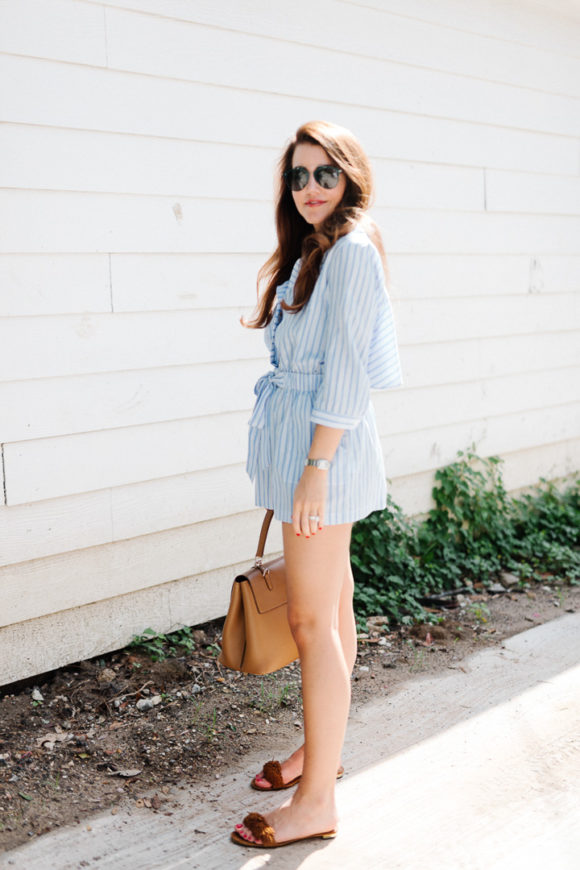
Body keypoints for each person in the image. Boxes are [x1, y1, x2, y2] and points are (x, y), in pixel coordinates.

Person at [231, 120, 403, 849]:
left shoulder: (354, 251)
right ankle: (317, 755)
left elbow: (348, 370)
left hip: (324, 455)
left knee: (310, 622)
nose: (309, 188)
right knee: (331, 608)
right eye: (298, 176)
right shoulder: (315, 249)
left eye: (324, 174)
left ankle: (317, 801)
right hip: (311, 453)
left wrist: (315, 469)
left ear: (350, 179)